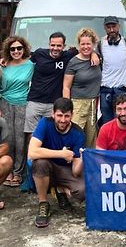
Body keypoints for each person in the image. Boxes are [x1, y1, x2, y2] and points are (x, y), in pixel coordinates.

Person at [24, 32, 98, 136]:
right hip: (35, 102)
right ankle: (31, 153)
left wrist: (94, 54)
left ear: (64, 46)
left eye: (59, 46)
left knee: (51, 135)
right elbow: (23, 61)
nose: (55, 48)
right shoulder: (39, 53)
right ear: (49, 44)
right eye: (52, 45)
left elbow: (85, 49)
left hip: (54, 104)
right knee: (32, 136)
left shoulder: (68, 55)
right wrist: (5, 60)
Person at [28, 98, 85, 228]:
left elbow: (76, 171)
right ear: (53, 114)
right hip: (46, 166)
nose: (63, 120)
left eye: (67, 116)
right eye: (59, 115)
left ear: (72, 115)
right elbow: (32, 152)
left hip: (65, 169)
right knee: (40, 163)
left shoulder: (78, 133)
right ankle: (43, 203)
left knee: (83, 191)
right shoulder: (45, 123)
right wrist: (61, 153)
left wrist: (82, 158)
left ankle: (59, 189)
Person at [0, 35, 34, 187]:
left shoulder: (31, 65)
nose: (16, 51)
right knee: (8, 138)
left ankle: (18, 172)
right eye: (12, 49)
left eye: (19, 48)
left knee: (20, 140)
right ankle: (8, 171)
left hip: (22, 104)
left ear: (24, 49)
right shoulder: (3, 66)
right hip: (5, 104)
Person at [63, 28, 102, 148]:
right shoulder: (73, 62)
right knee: (75, 136)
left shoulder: (97, 59)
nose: (85, 47)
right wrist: (67, 108)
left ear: (93, 44)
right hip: (77, 104)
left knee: (91, 139)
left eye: (88, 44)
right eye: (82, 44)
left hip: (93, 103)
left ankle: (88, 165)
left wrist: (94, 54)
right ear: (78, 45)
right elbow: (66, 86)